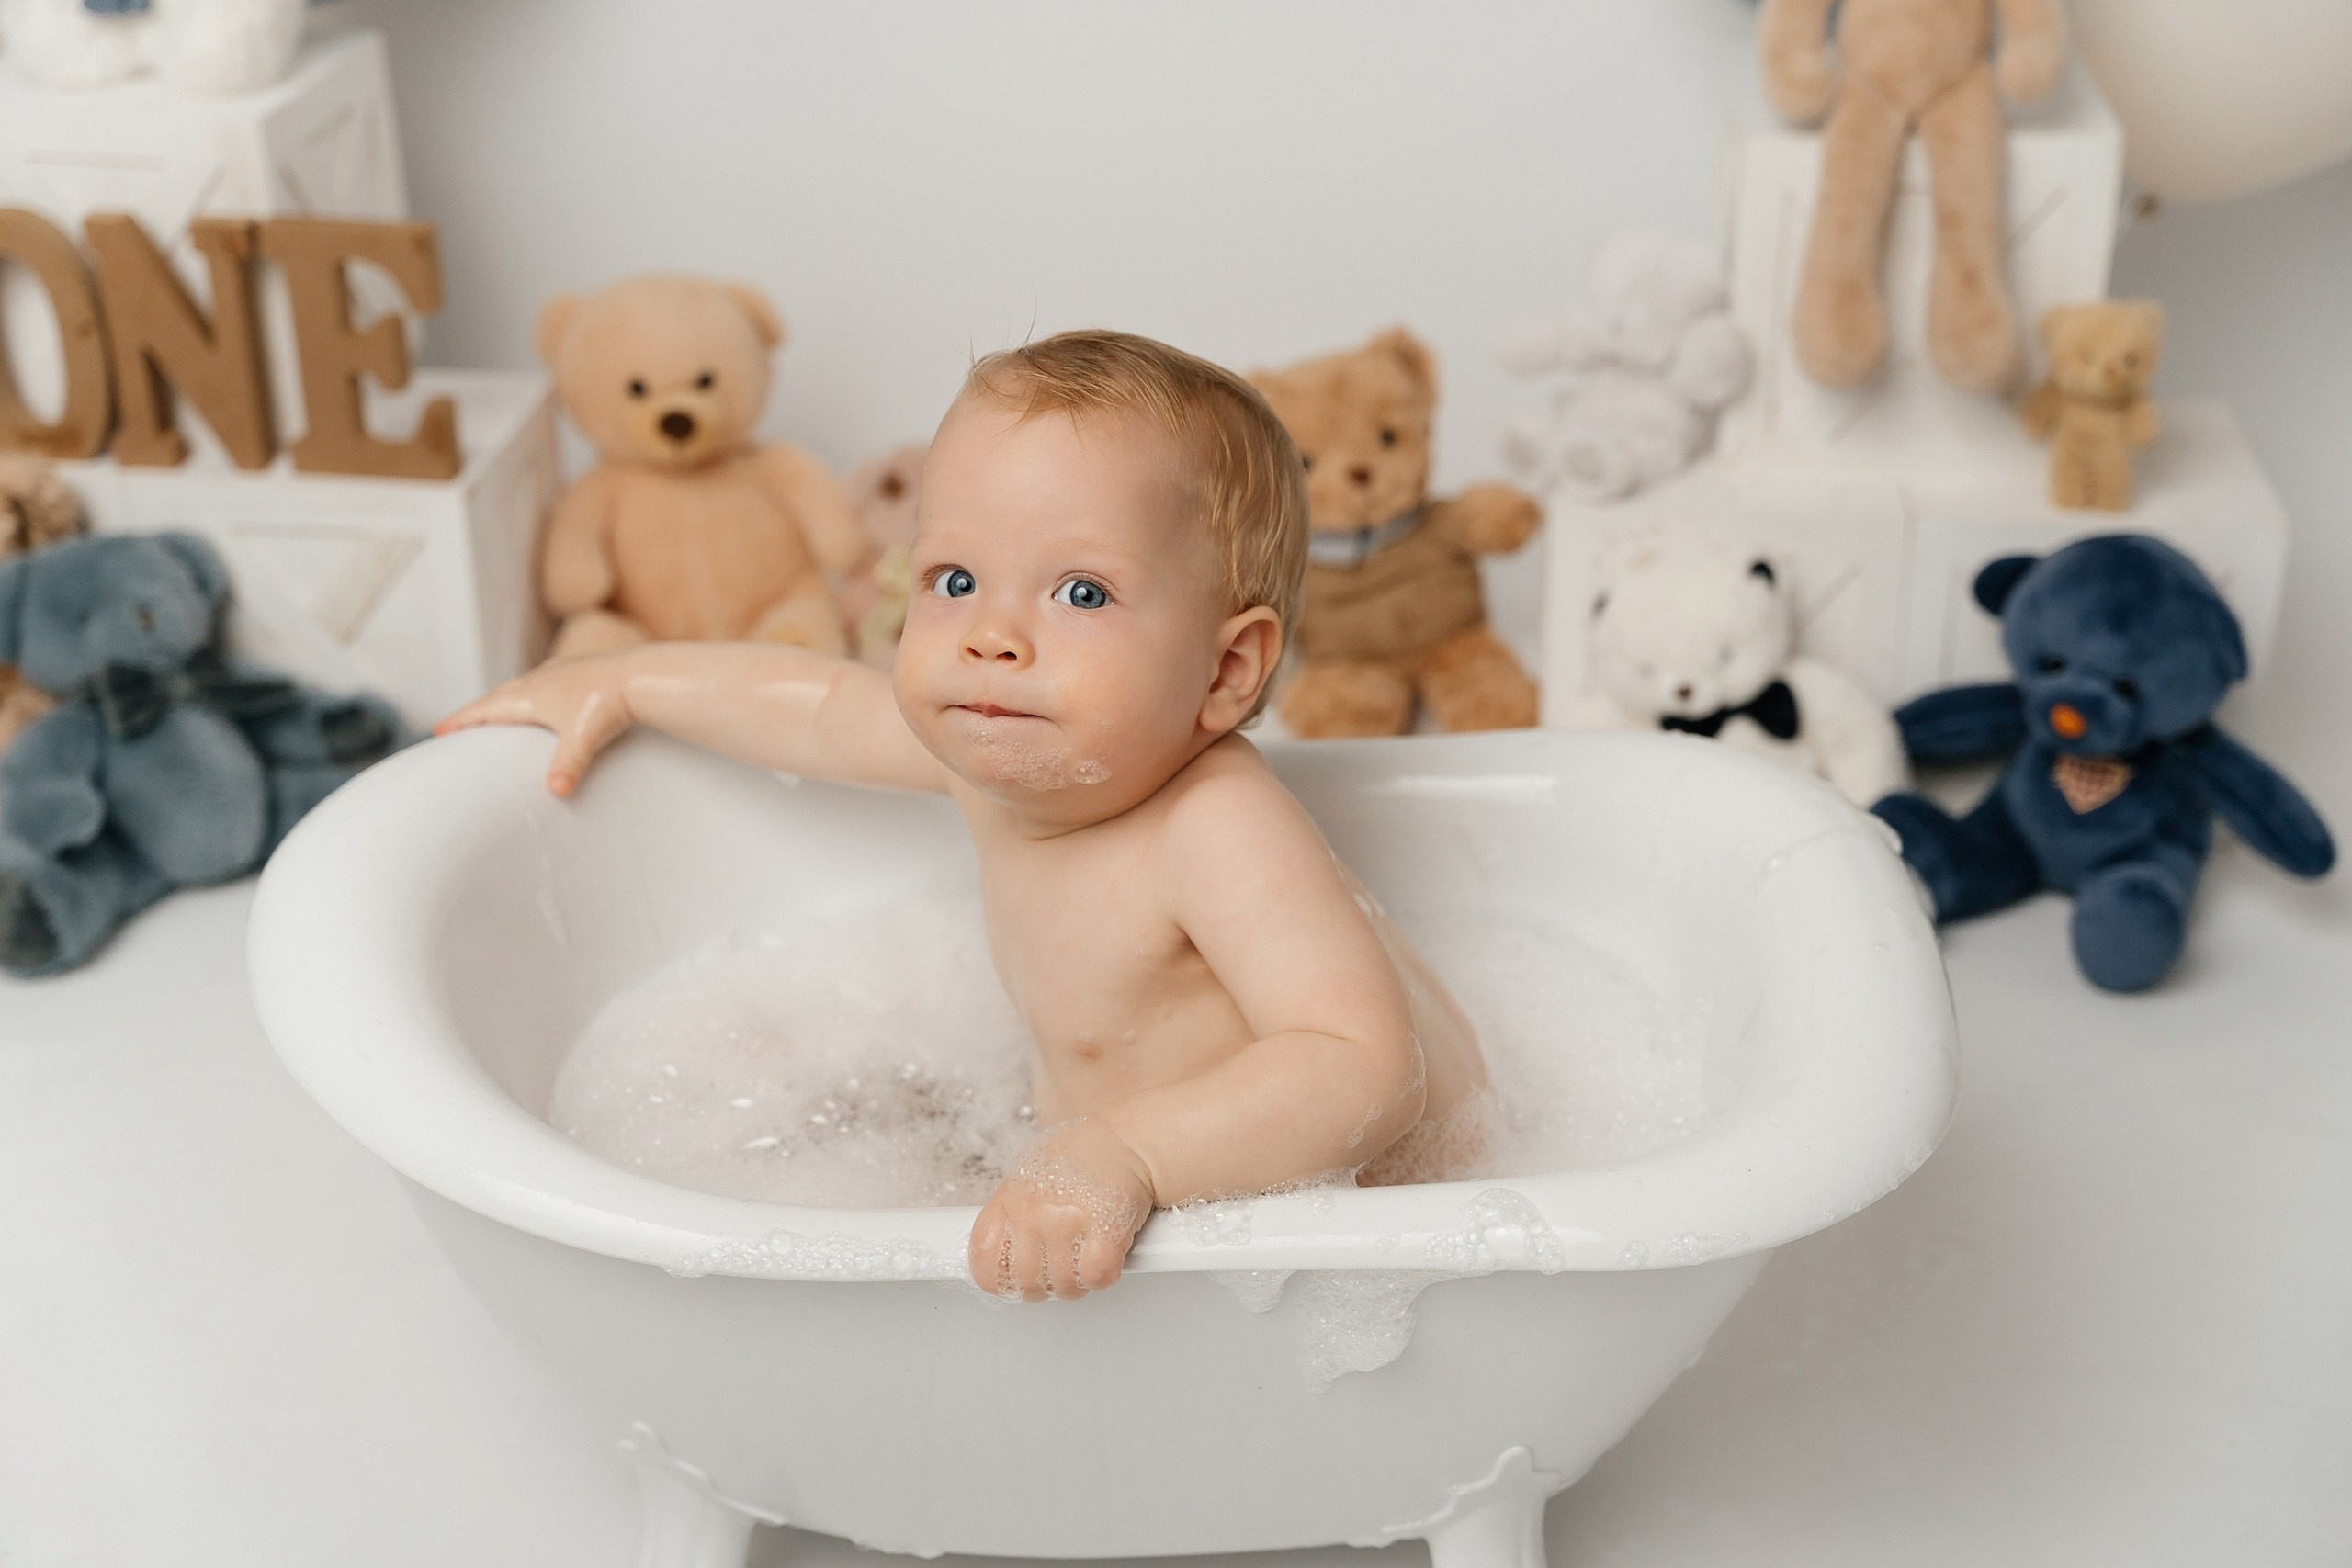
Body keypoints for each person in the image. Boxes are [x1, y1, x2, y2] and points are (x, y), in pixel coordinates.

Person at [440, 329, 1487, 1301]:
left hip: (1340, 1234)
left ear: (1226, 668)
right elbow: (816, 706)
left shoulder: (1214, 828)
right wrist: (624, 682)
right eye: (954, 578)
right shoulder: (1009, 760)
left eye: (1080, 594)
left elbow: (1361, 1065)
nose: (991, 634)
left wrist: (1128, 1155)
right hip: (1093, 1167)